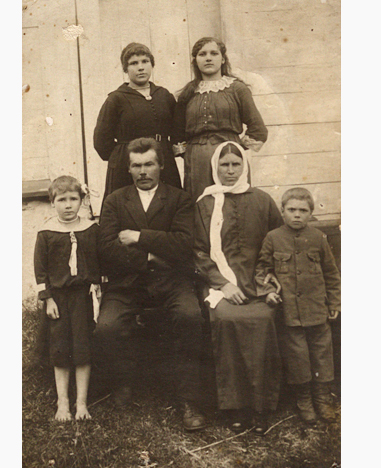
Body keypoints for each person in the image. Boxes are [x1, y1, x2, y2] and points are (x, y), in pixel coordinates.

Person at [94, 137, 207, 431]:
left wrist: (139, 237)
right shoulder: (115, 200)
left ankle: (188, 399)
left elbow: (183, 244)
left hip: (172, 280)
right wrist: (150, 257)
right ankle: (123, 383)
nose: (143, 171)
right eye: (136, 166)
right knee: (107, 326)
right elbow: (106, 248)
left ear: (161, 165)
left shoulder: (179, 199)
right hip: (127, 282)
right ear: (128, 169)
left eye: (149, 164)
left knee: (190, 316)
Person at [193, 141, 282, 435]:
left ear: (244, 166)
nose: (230, 171)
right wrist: (222, 284)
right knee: (226, 320)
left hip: (258, 286)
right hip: (220, 286)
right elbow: (198, 251)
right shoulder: (205, 204)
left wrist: (269, 282)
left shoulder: (262, 200)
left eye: (236, 164)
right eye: (224, 165)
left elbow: (277, 243)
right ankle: (235, 407)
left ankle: (261, 406)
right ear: (215, 168)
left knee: (263, 320)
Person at [255, 188, 341, 423]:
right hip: (290, 312)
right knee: (298, 357)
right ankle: (304, 400)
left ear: (311, 213)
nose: (297, 215)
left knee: (322, 355)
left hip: (317, 310)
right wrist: (268, 292)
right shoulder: (273, 238)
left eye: (303, 211)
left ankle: (322, 398)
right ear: (282, 211)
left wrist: (335, 302)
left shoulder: (318, 238)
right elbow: (262, 270)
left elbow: (331, 273)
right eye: (291, 209)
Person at [34, 176, 102, 421]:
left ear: (81, 200)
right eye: (62, 200)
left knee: (83, 348)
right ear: (53, 202)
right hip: (59, 300)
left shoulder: (90, 230)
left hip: (83, 297)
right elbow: (40, 270)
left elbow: (98, 261)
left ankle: (81, 403)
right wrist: (48, 299)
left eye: (73, 199)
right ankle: (62, 402)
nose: (68, 205)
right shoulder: (46, 233)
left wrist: (98, 289)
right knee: (60, 348)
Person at [174, 37, 268, 202]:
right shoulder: (187, 93)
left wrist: (236, 148)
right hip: (198, 162)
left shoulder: (237, 89)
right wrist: (191, 155)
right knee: (201, 205)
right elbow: (177, 133)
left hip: (229, 159)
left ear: (223, 59)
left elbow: (258, 129)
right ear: (195, 61)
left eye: (214, 53)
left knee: (234, 204)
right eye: (202, 54)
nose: (208, 58)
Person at [94, 42, 182, 203]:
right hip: (128, 165)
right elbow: (101, 141)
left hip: (162, 161)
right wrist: (122, 158)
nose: (140, 67)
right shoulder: (116, 99)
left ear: (152, 65)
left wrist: (167, 150)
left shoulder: (164, 95)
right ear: (125, 69)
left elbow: (177, 130)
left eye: (145, 61)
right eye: (134, 63)